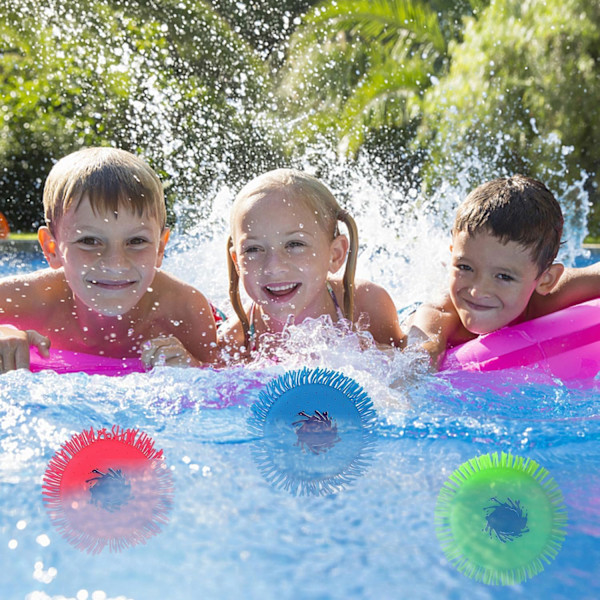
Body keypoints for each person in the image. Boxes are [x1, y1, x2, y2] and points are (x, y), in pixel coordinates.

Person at [0, 147, 218, 372]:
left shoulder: (185, 311)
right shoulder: (21, 301)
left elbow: (220, 385)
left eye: (136, 241)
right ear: (51, 248)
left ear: (160, 247)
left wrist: (194, 367)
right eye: (90, 241)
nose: (116, 264)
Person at [219, 168, 405, 357]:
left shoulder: (365, 305)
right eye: (253, 249)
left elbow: (410, 367)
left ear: (335, 255)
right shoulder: (236, 342)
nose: (274, 266)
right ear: (237, 262)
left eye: (294, 244)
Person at [404, 174, 574, 368]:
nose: (477, 291)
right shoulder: (443, 313)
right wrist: (421, 361)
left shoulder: (549, 299)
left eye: (503, 276)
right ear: (452, 255)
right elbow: (421, 351)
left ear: (546, 280)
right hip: (408, 323)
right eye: (465, 267)